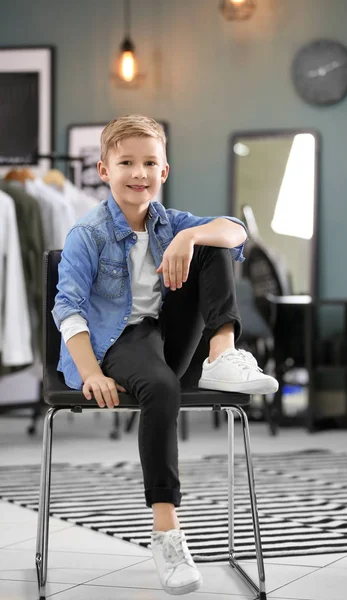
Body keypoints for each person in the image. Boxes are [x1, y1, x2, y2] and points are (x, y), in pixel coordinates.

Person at [52, 114, 278, 596]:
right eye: (127, 162)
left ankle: (223, 353)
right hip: (117, 342)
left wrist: (189, 237)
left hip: (173, 338)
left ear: (164, 171)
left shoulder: (170, 223)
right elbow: (67, 308)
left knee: (214, 240)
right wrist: (89, 370)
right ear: (104, 170)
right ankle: (167, 532)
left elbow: (236, 231)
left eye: (149, 162)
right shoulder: (87, 234)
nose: (139, 172)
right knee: (160, 386)